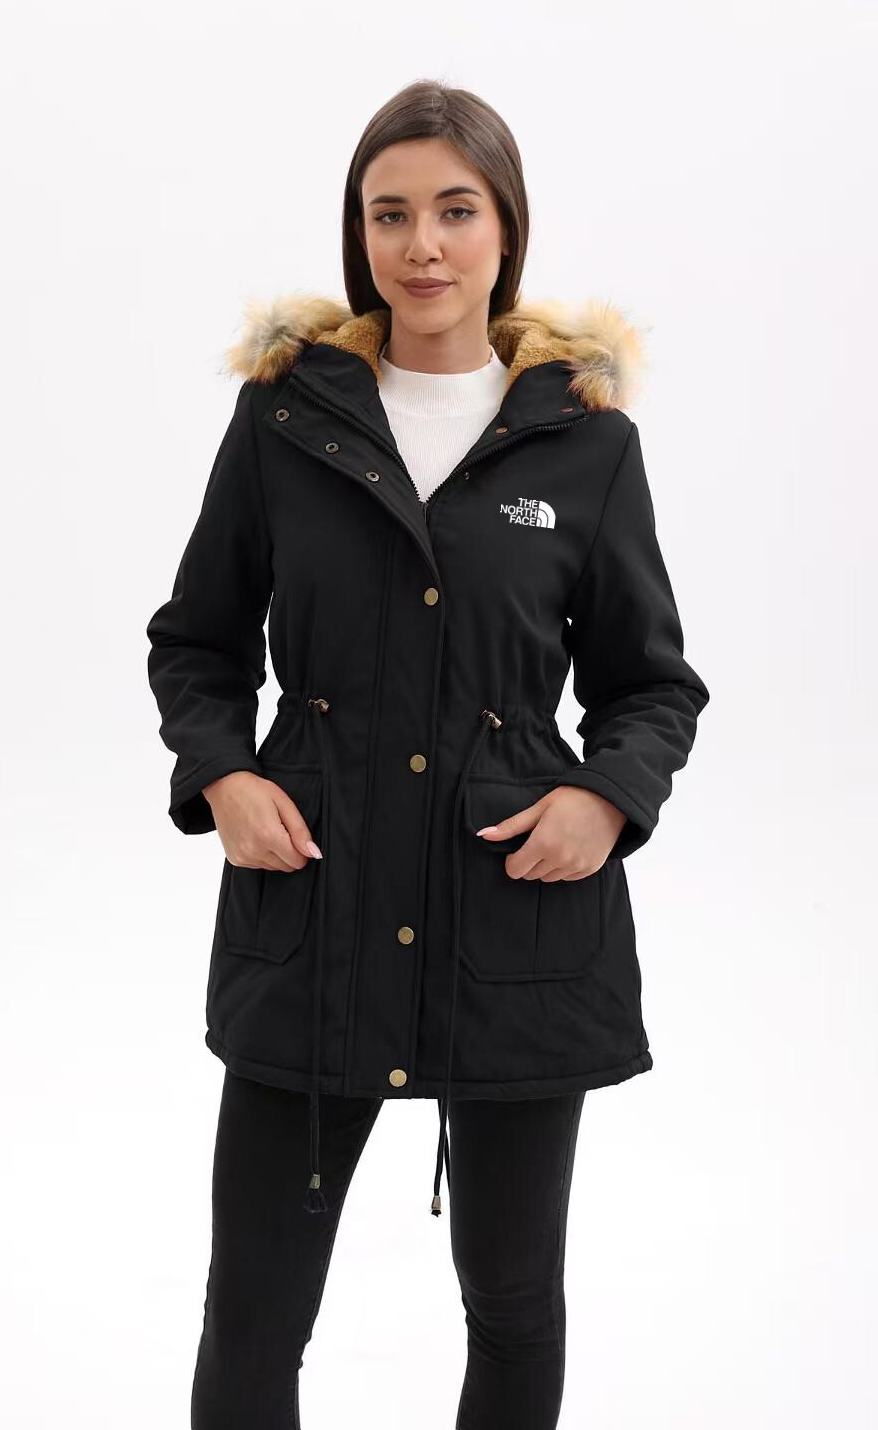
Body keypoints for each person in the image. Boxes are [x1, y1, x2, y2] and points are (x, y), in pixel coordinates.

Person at [146, 77, 710, 1430]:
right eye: (389, 213)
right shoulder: (285, 420)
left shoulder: (585, 439)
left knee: (514, 1308)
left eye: (456, 211)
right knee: (254, 1312)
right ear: (359, 233)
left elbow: (651, 686)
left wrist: (605, 798)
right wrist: (224, 774)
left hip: (513, 928)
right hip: (313, 917)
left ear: (505, 227)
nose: (423, 245)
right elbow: (196, 643)